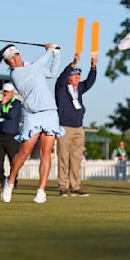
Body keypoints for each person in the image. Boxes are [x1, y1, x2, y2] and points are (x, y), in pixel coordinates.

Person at [0, 43, 63, 203]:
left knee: (46, 153)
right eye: (11, 59)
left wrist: (56, 54)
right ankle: (9, 182)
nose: (15, 59)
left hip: (50, 113)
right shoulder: (16, 74)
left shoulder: (32, 65)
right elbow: (39, 65)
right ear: (8, 62)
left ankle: (41, 191)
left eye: (16, 55)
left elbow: (52, 73)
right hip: (32, 115)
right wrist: (49, 51)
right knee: (24, 153)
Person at [55, 52, 97, 197]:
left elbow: (90, 82)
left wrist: (93, 67)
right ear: (69, 77)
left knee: (76, 159)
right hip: (64, 128)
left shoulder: (79, 90)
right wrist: (72, 64)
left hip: (79, 128)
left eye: (79, 75)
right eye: (74, 75)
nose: (78, 77)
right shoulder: (61, 89)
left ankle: (75, 186)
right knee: (63, 159)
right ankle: (63, 187)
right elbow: (60, 79)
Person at [0, 82, 22, 189]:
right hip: (0, 135)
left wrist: (1, 113)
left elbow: (12, 115)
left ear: (12, 93)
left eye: (7, 92)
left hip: (12, 136)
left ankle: (13, 180)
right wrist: (2, 105)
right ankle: (1, 178)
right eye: (4, 92)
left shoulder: (17, 103)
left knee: (13, 159)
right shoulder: (1, 103)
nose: (5, 94)